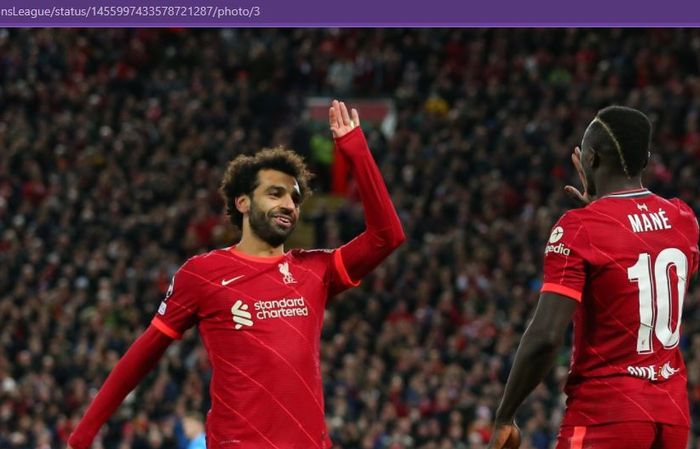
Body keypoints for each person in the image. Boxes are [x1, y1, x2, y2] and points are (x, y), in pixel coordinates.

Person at [67, 100, 405, 449]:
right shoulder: (203, 273)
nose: (289, 204)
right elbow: (144, 353)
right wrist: (83, 435)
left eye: (294, 197)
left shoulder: (315, 270)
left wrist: (356, 151)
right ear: (243, 203)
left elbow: (387, 236)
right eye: (275, 193)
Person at [488, 106, 699, 449]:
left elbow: (545, 336)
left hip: (607, 413)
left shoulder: (580, 229)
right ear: (644, 160)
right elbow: (642, 263)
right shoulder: (682, 218)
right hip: (672, 416)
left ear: (592, 160)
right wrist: (605, 209)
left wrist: (505, 415)